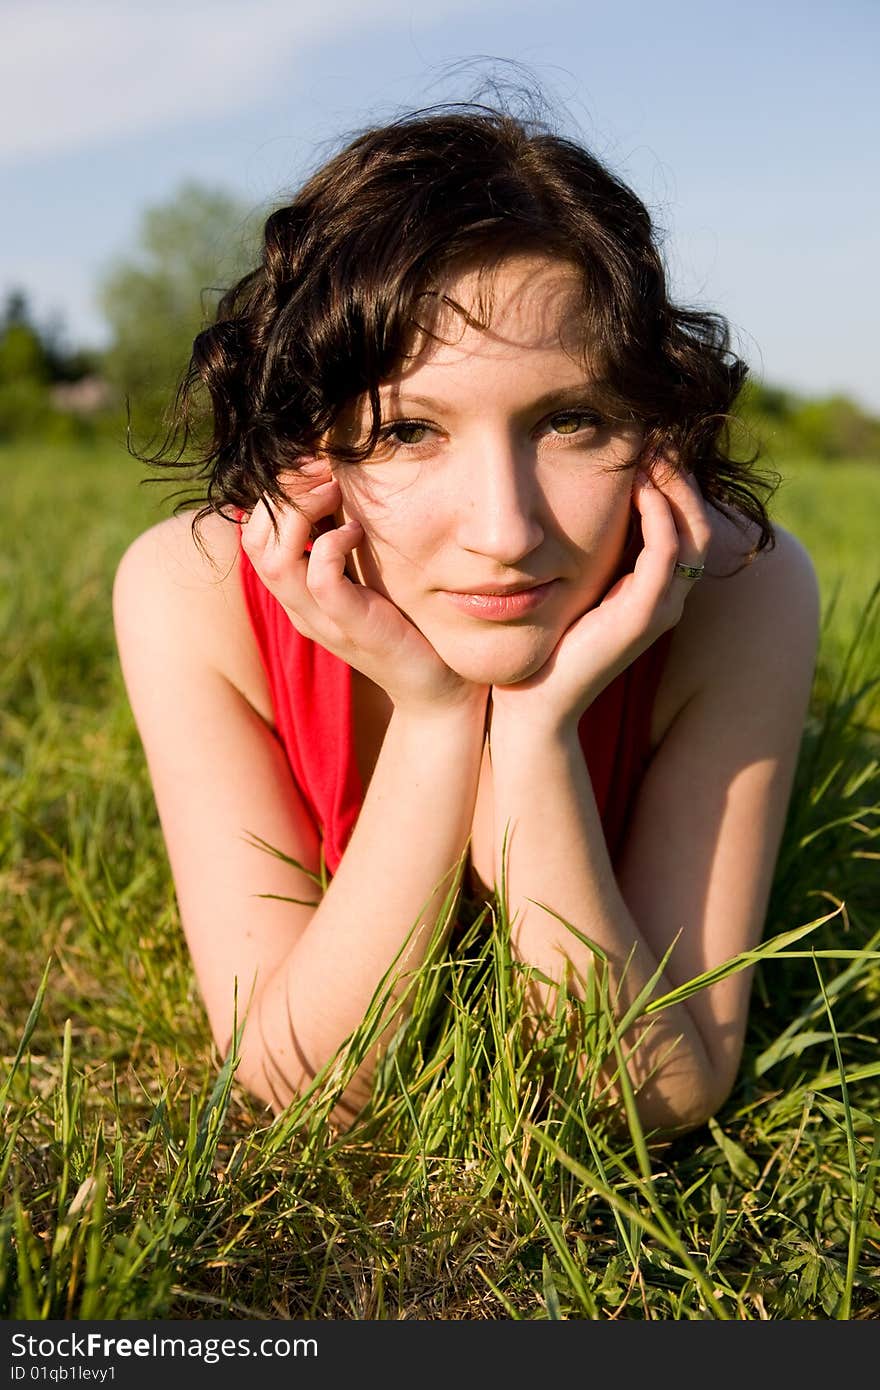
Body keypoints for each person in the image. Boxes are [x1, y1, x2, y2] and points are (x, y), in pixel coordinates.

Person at [112, 102, 819, 1137]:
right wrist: (438, 718)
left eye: (570, 422)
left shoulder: (738, 592)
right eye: (407, 430)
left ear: (656, 428)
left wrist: (532, 738)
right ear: (306, 444)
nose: (502, 528)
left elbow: (655, 1095)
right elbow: (297, 1082)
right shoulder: (195, 595)